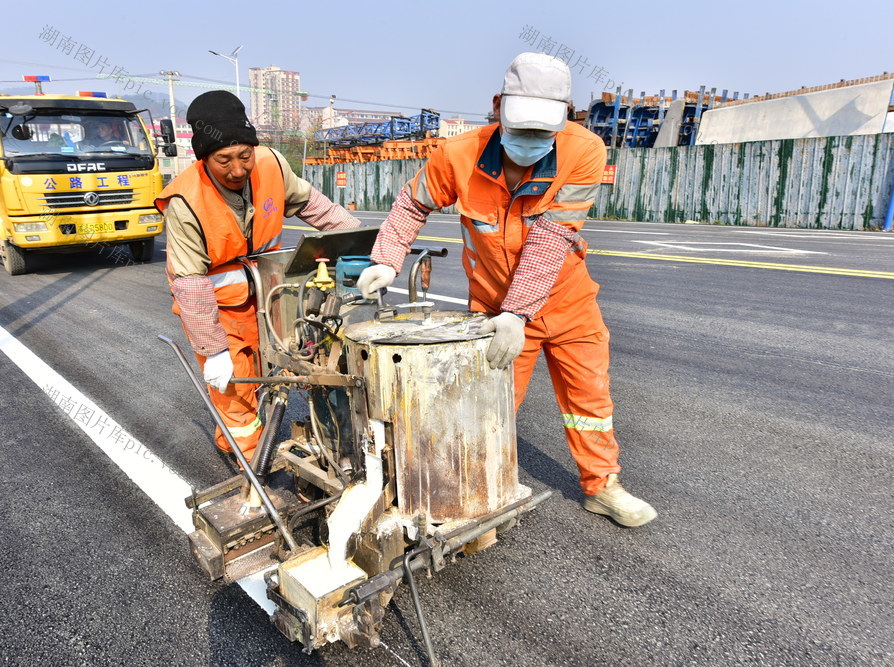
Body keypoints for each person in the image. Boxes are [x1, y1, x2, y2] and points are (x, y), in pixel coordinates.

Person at [357, 53, 656, 527]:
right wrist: (387, 259)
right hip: (494, 309)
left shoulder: (585, 151)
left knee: (590, 401)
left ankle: (603, 487)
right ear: (497, 106)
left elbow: (552, 235)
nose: (531, 143)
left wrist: (520, 312)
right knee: (488, 407)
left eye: (543, 134)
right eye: (522, 130)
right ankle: (473, 489)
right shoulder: (457, 155)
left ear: (566, 116)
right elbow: (412, 204)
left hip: (567, 302)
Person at [155, 91, 360, 458]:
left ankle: (333, 449)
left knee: (293, 368)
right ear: (203, 159)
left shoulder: (271, 165)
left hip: (271, 296)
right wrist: (212, 350)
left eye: (244, 155)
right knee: (235, 392)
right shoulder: (185, 203)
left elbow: (317, 209)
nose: (237, 169)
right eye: (224, 160)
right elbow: (190, 284)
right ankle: (251, 471)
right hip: (219, 311)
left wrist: (360, 245)